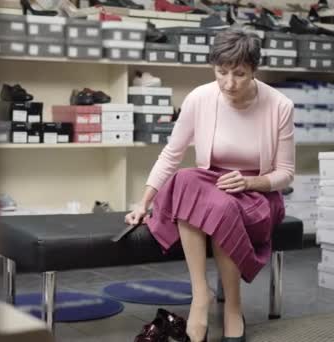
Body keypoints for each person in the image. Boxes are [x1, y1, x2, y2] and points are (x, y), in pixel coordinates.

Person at [125, 29, 295, 342]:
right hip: (210, 184)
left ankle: (233, 305)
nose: (229, 83)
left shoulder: (280, 106)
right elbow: (172, 154)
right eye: (222, 73)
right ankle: (200, 295)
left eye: (240, 74)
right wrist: (144, 202)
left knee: (220, 203)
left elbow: (285, 173)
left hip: (257, 193)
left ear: (255, 70)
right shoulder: (200, 98)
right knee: (188, 180)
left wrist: (249, 181)